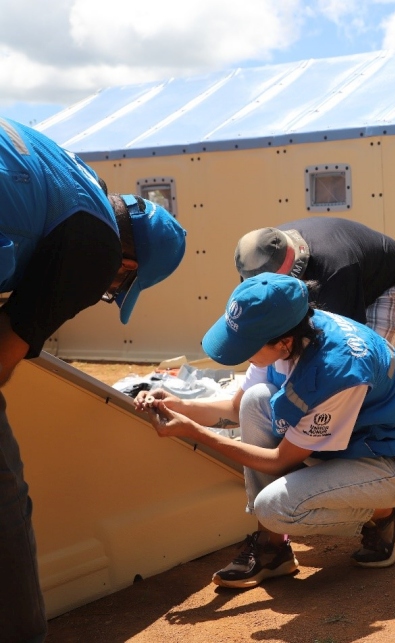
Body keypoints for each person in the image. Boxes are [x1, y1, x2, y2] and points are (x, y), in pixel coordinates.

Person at [0, 118, 187, 643]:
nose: (108, 290)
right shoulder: (94, 244)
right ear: (126, 264)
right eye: (117, 288)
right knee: (5, 499)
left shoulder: (61, 171)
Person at [136, 274, 395, 589]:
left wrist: (193, 431)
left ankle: (387, 514)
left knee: (274, 509)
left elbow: (279, 460)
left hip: (390, 463)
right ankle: (273, 548)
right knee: (254, 400)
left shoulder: (337, 371)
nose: (241, 355)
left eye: (247, 347)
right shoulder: (287, 327)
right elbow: (235, 409)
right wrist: (178, 405)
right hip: (345, 447)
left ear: (283, 342)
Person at [235, 217, 395, 347]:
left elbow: (348, 337)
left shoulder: (335, 268)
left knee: (370, 354)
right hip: (341, 272)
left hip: (388, 282)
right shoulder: (255, 257)